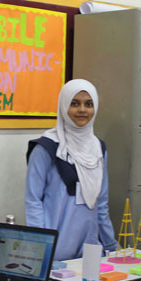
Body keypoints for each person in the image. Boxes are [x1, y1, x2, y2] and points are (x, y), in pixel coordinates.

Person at [25, 79, 117, 261]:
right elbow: (33, 201)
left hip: (90, 249)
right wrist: (41, 249)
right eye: (74, 103)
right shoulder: (46, 149)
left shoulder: (98, 150)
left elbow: (101, 203)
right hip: (54, 251)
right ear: (63, 105)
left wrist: (111, 247)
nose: (82, 110)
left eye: (89, 104)